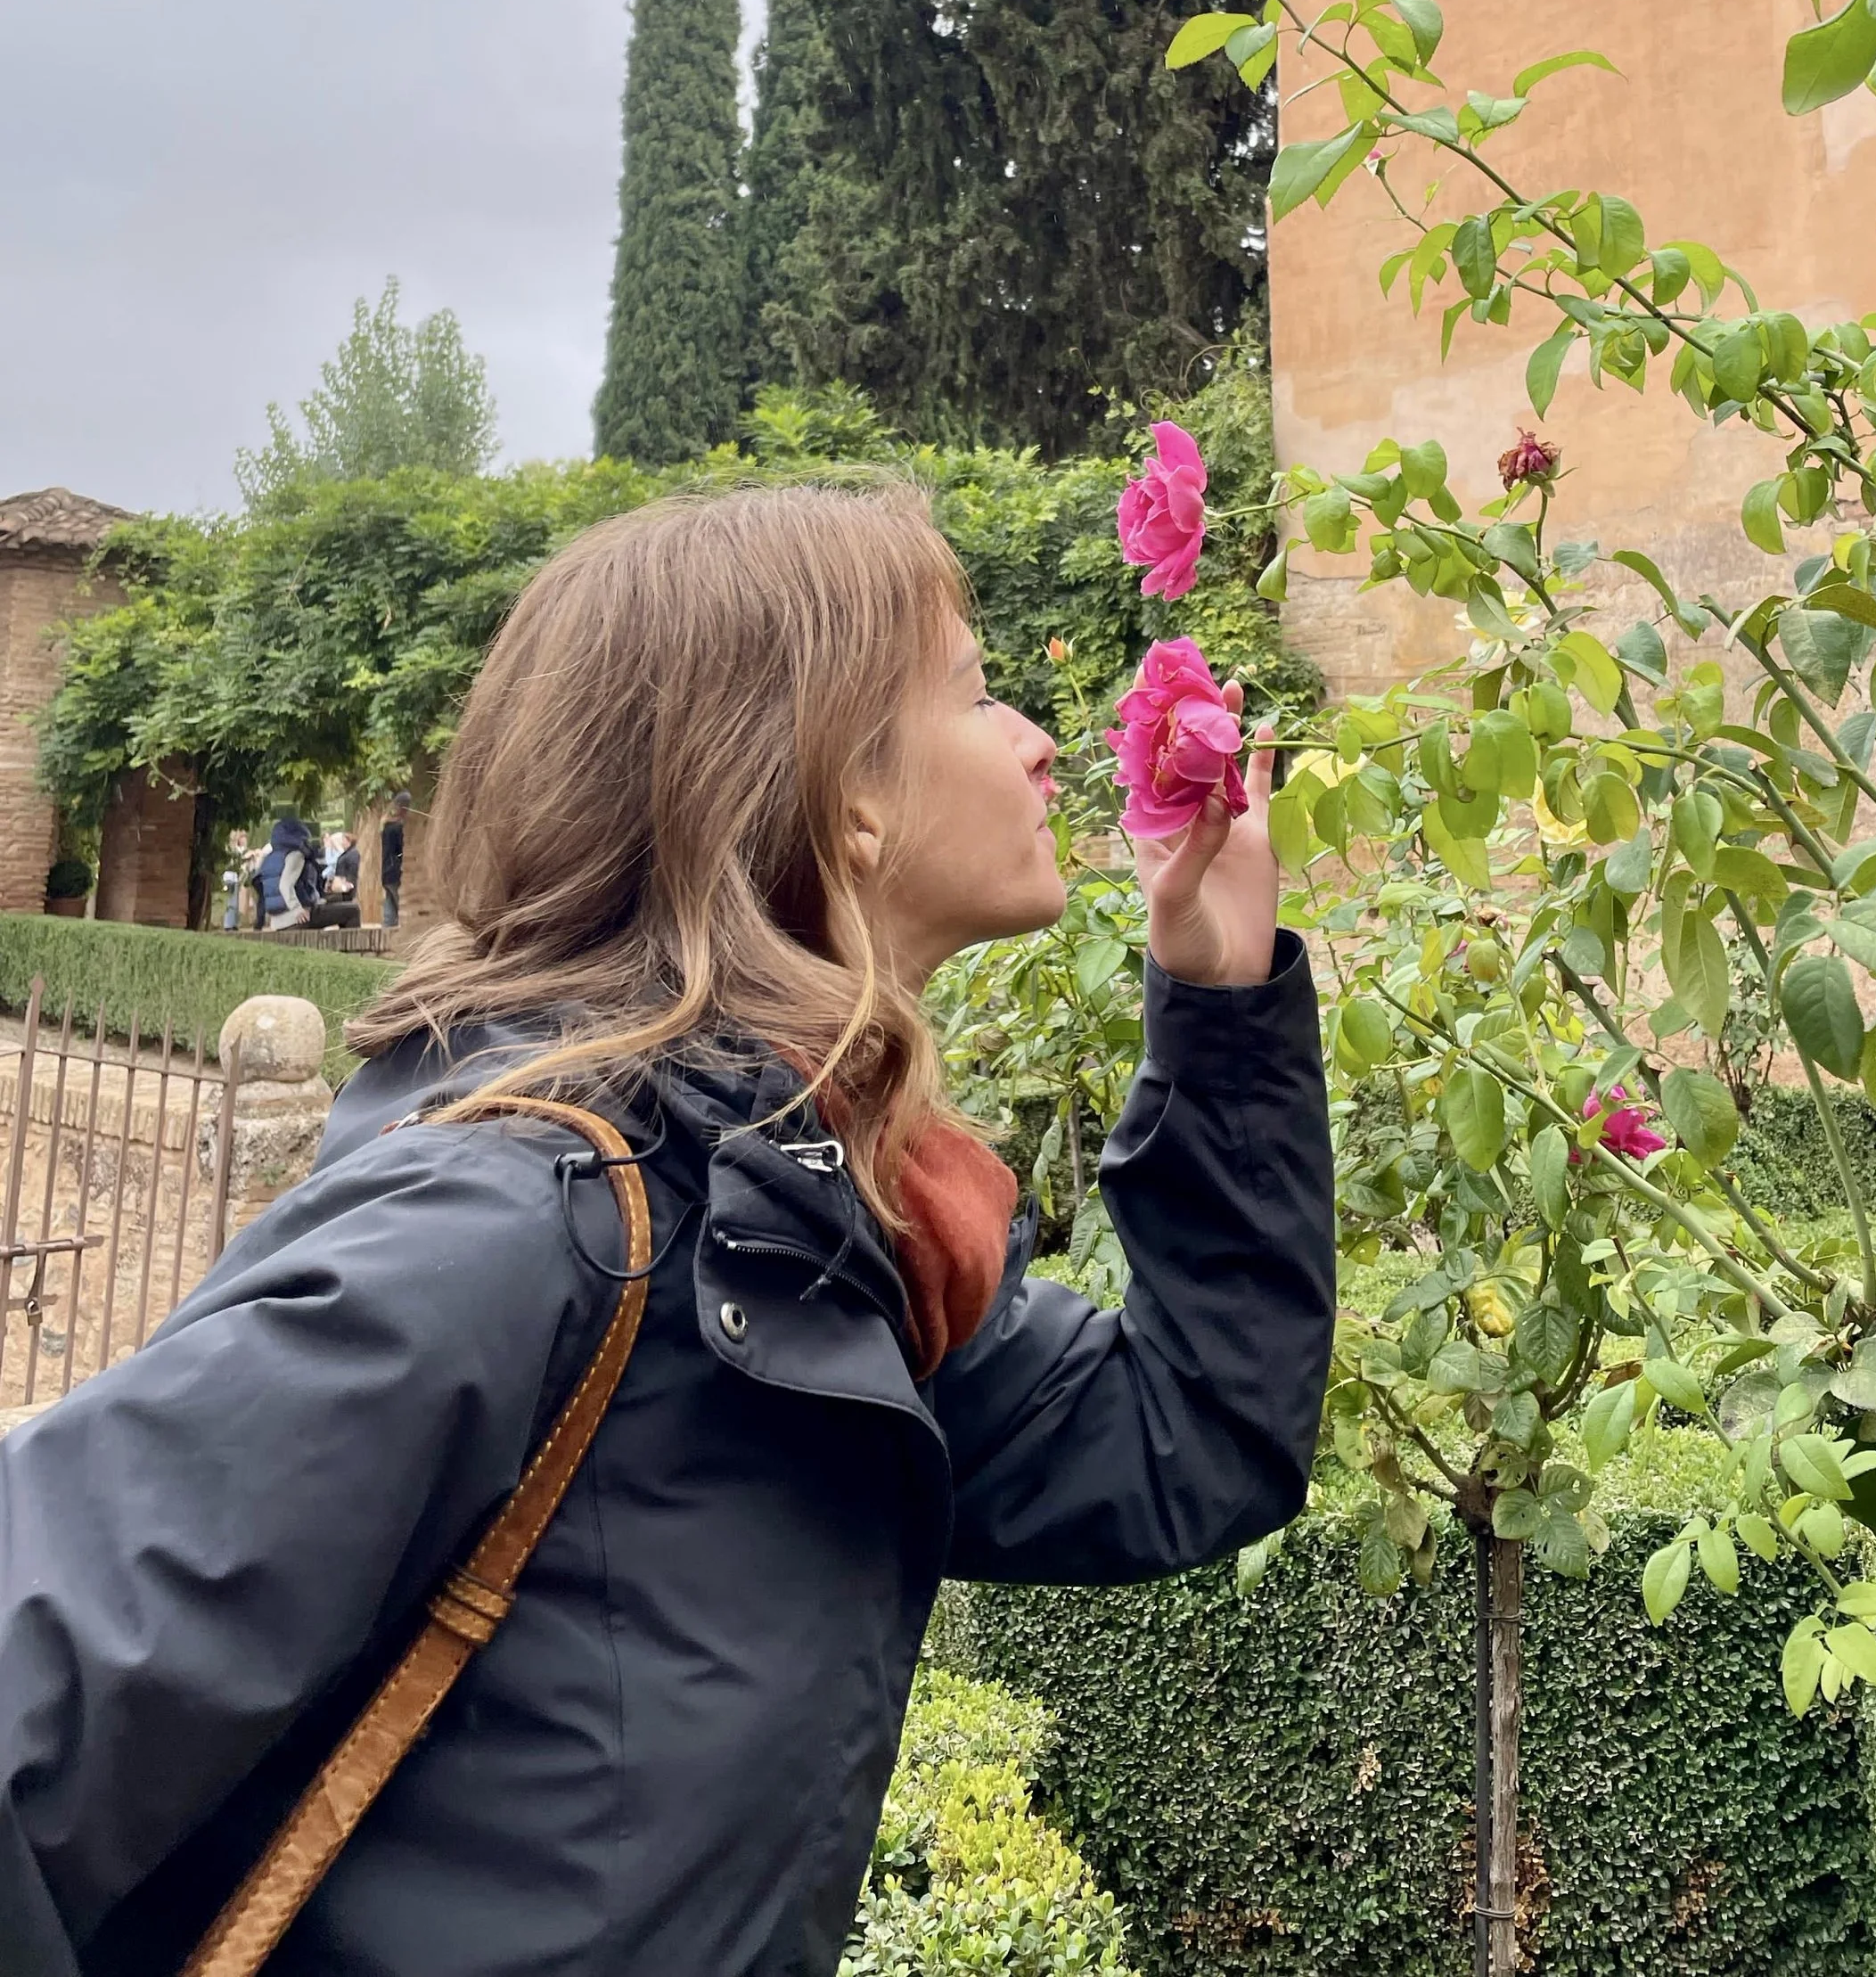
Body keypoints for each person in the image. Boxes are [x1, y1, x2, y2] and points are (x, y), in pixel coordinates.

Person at [0, 485, 1333, 1976]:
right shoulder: (510, 1228)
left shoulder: (810, 1234)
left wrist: (1223, 1011)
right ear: (843, 795)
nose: (1037, 737)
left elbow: (1190, 1438)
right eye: (971, 688)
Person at [254, 809, 320, 931]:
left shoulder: (268, 859)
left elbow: (262, 894)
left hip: (276, 923)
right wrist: (297, 909)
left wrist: (259, 923)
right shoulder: (295, 855)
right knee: (352, 911)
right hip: (297, 918)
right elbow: (284, 885)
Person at [378, 790, 408, 929]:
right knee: (399, 902)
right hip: (394, 870)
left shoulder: (386, 827)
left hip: (386, 871)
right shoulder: (398, 829)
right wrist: (402, 861)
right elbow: (399, 851)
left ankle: (387, 931)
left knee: (389, 903)